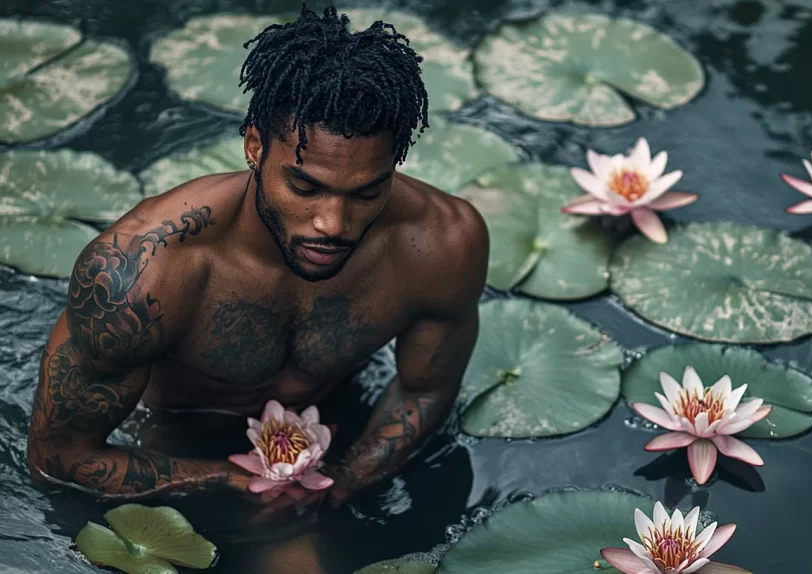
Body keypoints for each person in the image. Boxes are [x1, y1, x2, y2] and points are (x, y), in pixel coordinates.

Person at [24, 3, 488, 518]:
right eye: (305, 186)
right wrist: (230, 479)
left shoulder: (444, 242)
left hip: (331, 424)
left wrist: (348, 477)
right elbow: (59, 457)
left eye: (365, 193)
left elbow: (423, 390)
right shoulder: (141, 278)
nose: (332, 224)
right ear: (254, 147)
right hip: (170, 437)